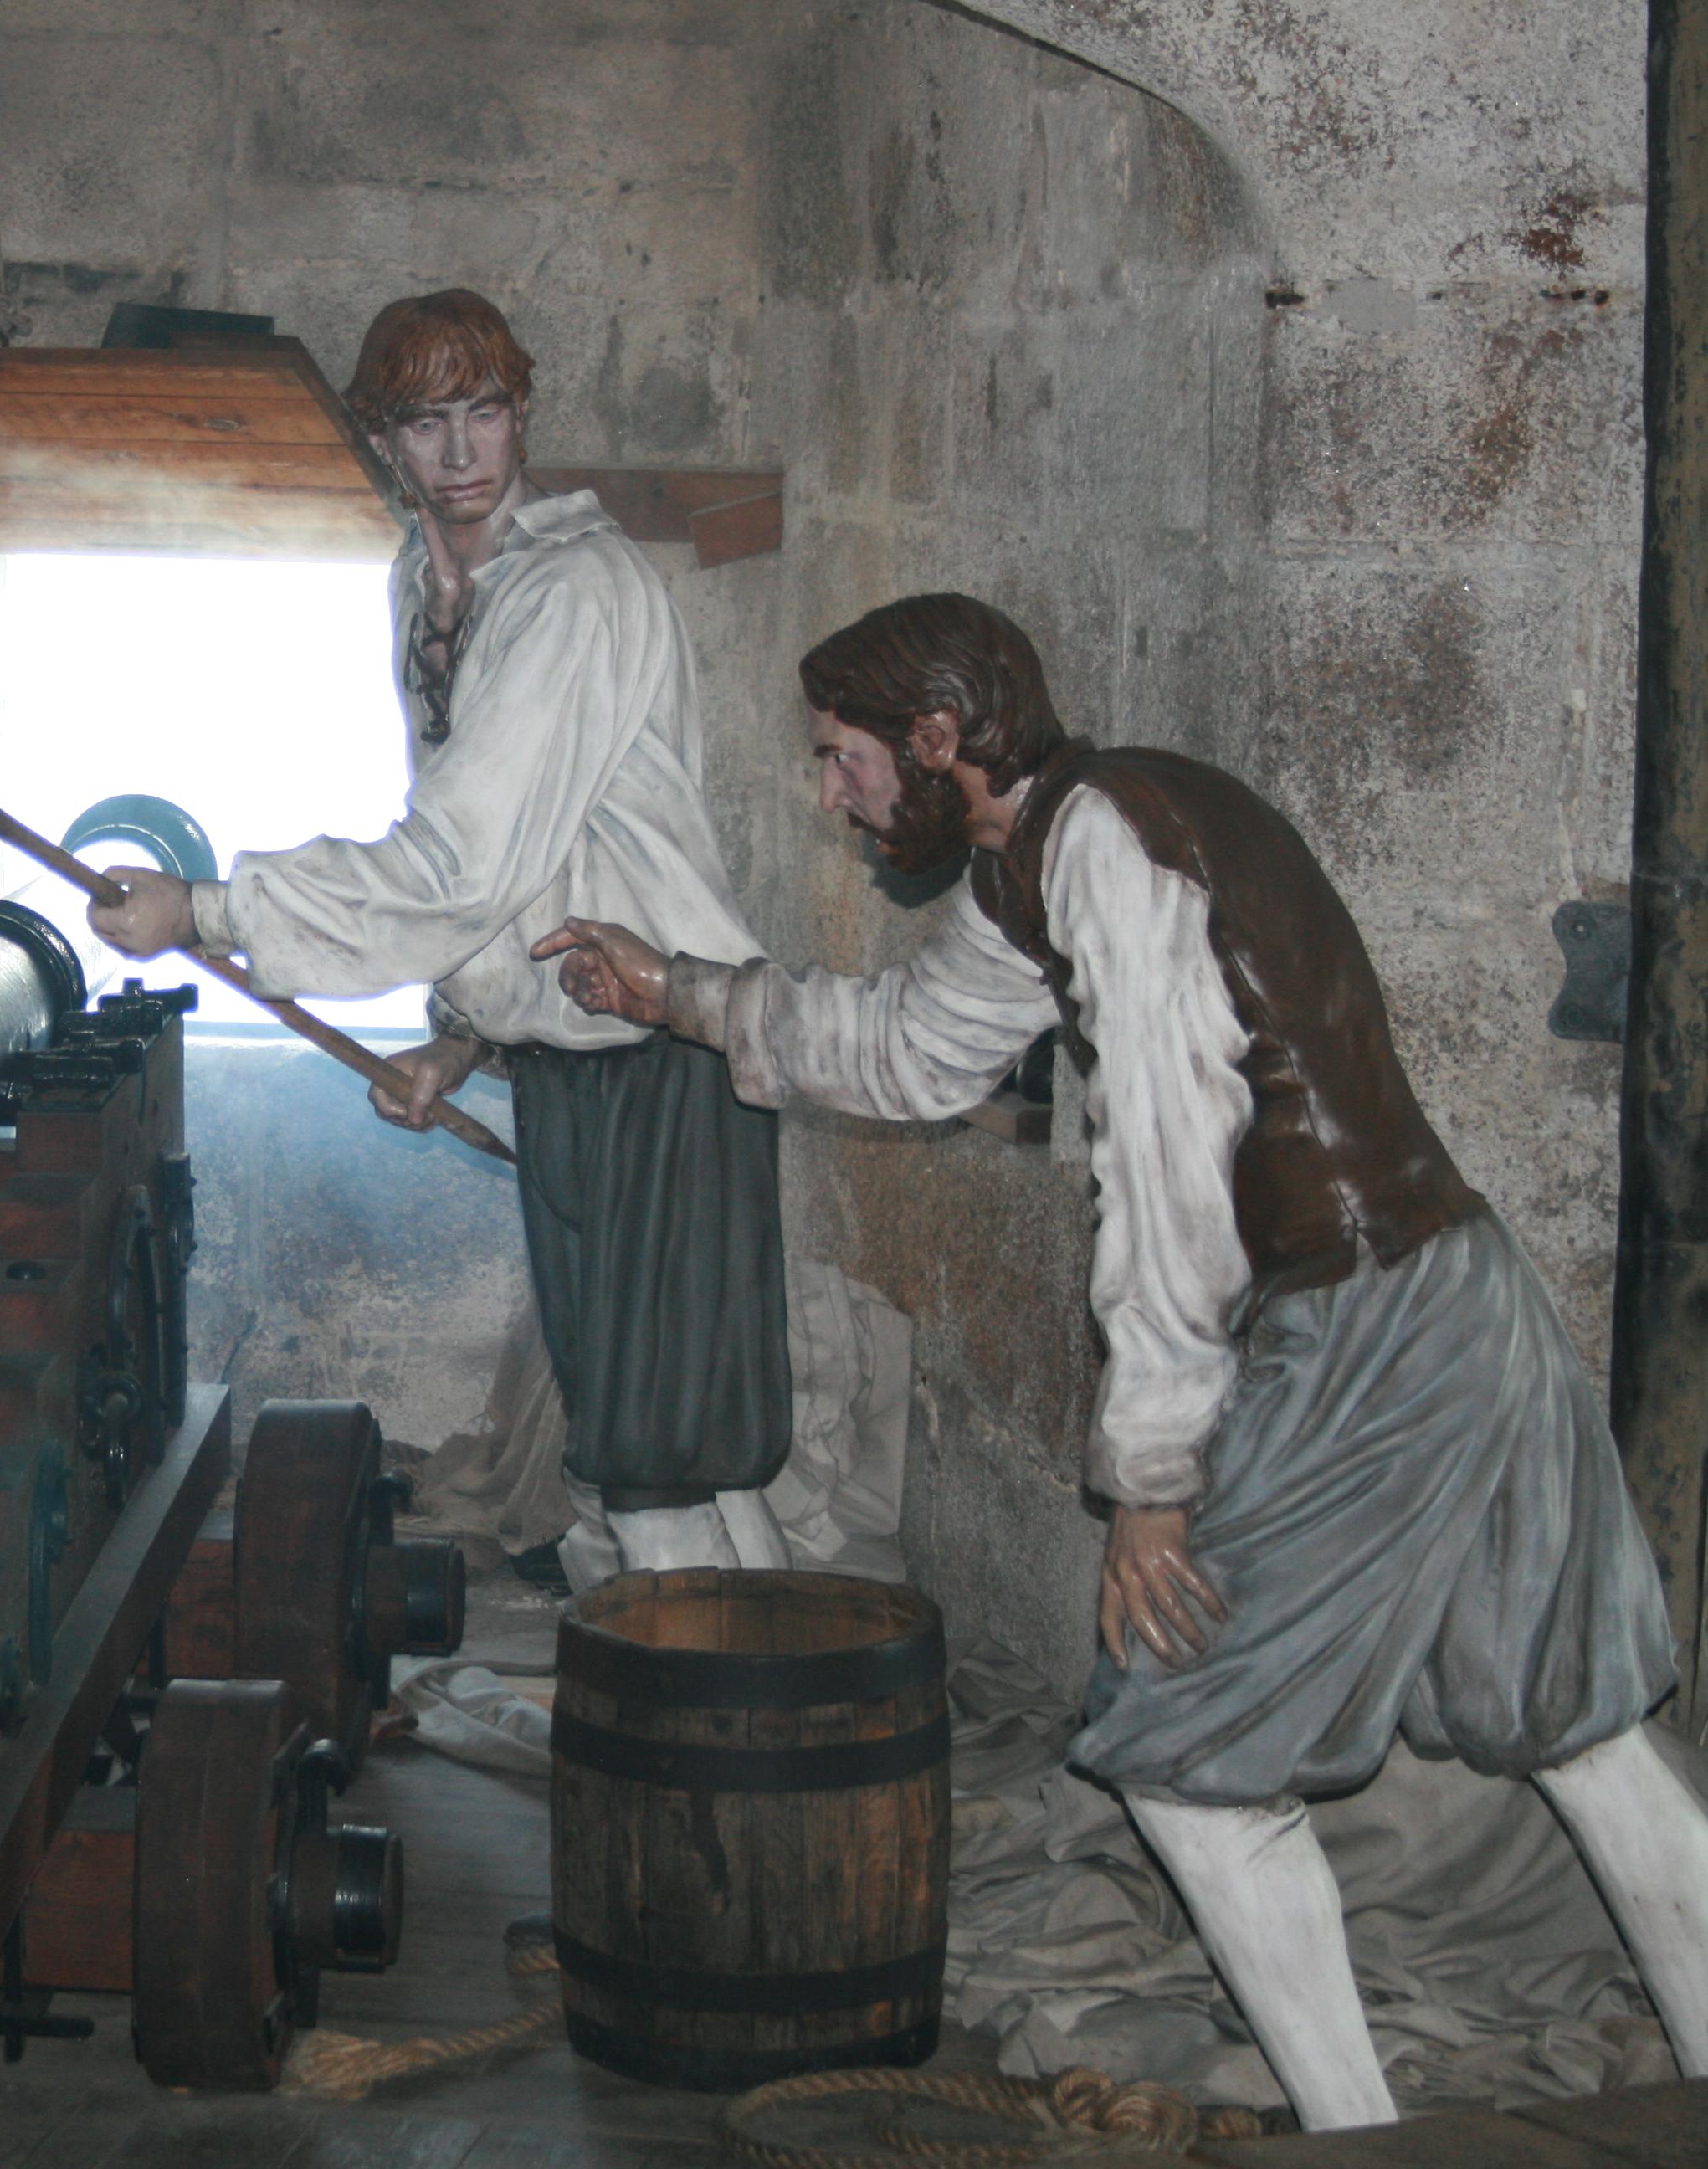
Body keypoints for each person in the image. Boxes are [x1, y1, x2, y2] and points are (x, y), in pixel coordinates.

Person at [532, 591, 1708, 2129]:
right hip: (1461, 1289)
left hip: (1372, 1319)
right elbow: (911, 1046)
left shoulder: (1106, 843)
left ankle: (1356, 2139)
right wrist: (675, 992)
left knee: (1183, 1764)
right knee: (1587, 1737)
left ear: (935, 737)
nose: (833, 794)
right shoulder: (1048, 850)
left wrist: (1153, 1481)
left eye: (843, 758)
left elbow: (1171, 1164)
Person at [88, 286, 793, 1582]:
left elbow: (463, 862)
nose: (462, 452)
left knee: (663, 1449)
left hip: (667, 1051)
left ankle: (711, 1697)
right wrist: (461, 1037)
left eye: (486, 412)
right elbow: (506, 859)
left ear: (524, 414)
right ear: (384, 440)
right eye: (426, 423)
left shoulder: (574, 592)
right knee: (646, 1439)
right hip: (579, 1052)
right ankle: (735, 1683)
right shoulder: (424, 581)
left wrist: (211, 911)